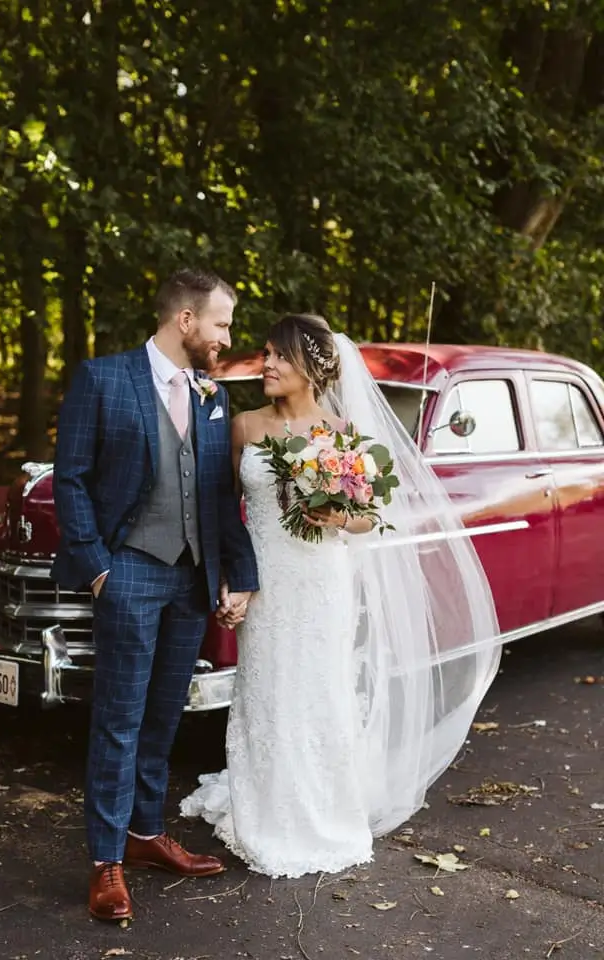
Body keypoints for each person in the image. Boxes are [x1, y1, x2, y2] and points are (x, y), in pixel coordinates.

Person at [182, 313, 502, 878]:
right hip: (267, 581)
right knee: (268, 689)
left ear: (313, 366)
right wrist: (234, 582)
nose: (268, 364)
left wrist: (341, 513)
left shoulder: (342, 435)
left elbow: (368, 518)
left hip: (320, 581)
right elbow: (224, 517)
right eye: (266, 353)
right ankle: (265, 803)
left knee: (318, 691)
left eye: (280, 356)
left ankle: (322, 810)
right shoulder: (244, 426)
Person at [52, 268, 259, 920]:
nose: (227, 337)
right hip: (129, 572)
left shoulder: (211, 395)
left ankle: (145, 834)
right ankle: (106, 862)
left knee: (164, 716)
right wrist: (98, 570)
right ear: (187, 321)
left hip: (190, 580)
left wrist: (239, 574)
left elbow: (222, 497)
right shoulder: (103, 378)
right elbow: (72, 479)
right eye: (222, 323)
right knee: (118, 719)